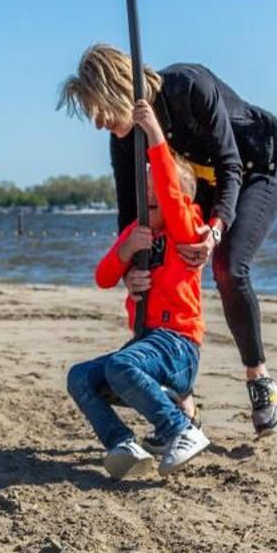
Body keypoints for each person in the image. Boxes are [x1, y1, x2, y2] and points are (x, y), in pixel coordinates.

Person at [59, 44, 277, 436]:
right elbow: (130, 213)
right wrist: (131, 267)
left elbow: (230, 164)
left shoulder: (188, 86)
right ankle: (183, 402)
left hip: (252, 173)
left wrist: (216, 230)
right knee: (168, 267)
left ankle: (259, 378)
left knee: (227, 266)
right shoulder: (123, 139)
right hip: (194, 185)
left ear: (116, 88)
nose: (98, 124)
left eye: (97, 110)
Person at [66, 99, 214, 481]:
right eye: (144, 193)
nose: (151, 198)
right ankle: (123, 443)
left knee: (121, 363)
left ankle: (181, 430)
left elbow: (169, 189)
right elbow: (102, 276)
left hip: (179, 346)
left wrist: (153, 136)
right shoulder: (138, 232)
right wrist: (125, 251)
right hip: (146, 347)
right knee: (80, 377)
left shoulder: (188, 230)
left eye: (159, 193)